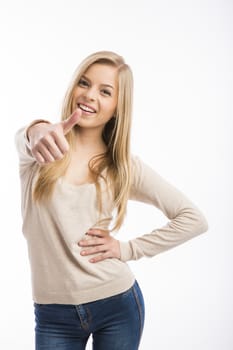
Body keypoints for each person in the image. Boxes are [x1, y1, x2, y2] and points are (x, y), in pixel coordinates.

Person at [15, 51, 208, 350]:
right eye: (84, 83)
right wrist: (36, 128)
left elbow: (193, 218)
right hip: (53, 313)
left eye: (105, 91)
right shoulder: (43, 149)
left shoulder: (123, 167)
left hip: (117, 304)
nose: (90, 95)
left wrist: (128, 249)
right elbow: (27, 137)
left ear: (118, 107)